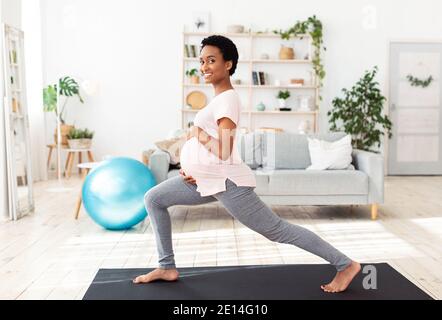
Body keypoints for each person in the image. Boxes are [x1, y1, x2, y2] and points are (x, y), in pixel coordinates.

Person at [133, 35, 361, 293]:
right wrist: (194, 166)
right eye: (202, 61)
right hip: (206, 181)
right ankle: (166, 266)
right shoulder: (218, 100)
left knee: (277, 230)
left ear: (228, 64)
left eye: (211, 60)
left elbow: (224, 149)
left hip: (229, 183)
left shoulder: (228, 100)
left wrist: (197, 133)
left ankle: (345, 264)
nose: (205, 67)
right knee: (154, 198)